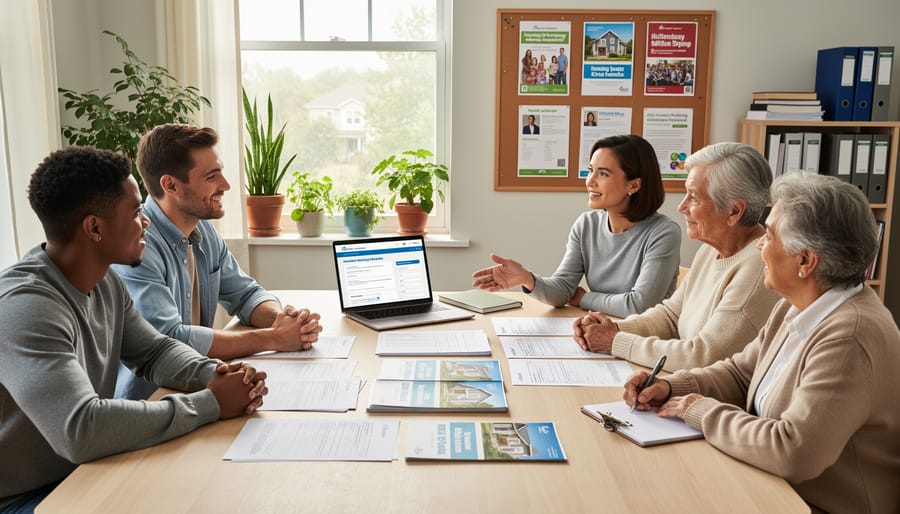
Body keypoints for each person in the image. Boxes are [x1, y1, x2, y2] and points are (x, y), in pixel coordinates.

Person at [0, 147, 267, 511]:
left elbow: (155, 351)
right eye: (136, 211)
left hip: (84, 470)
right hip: (24, 497)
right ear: (94, 227)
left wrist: (217, 373)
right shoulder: (27, 307)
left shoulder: (105, 281)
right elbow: (81, 428)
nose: (146, 222)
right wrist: (211, 402)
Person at [625, 172, 900, 514]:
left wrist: (699, 409)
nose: (759, 244)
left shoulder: (849, 336)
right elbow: (742, 373)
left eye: (769, 235)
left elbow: (793, 451)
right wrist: (672, 387)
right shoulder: (797, 304)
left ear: (805, 261)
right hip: (772, 488)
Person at [113, 124, 322, 400]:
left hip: (205, 388)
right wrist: (273, 338)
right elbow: (171, 338)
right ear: (171, 185)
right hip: (154, 402)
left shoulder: (204, 231)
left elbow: (246, 295)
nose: (226, 185)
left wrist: (284, 321)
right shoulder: (136, 246)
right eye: (212, 177)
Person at [573, 142, 780, 370]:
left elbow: (701, 356)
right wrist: (612, 328)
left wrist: (614, 341)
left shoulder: (758, 267)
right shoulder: (711, 250)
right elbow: (671, 316)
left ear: (733, 211)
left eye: (693, 197)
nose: (681, 207)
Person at [473, 135, 681, 318]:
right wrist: (527, 279)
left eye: (603, 174)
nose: (590, 181)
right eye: (591, 170)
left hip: (645, 340)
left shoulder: (663, 232)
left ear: (634, 185)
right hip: (599, 330)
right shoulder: (586, 225)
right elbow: (563, 290)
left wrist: (585, 299)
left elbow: (639, 306)